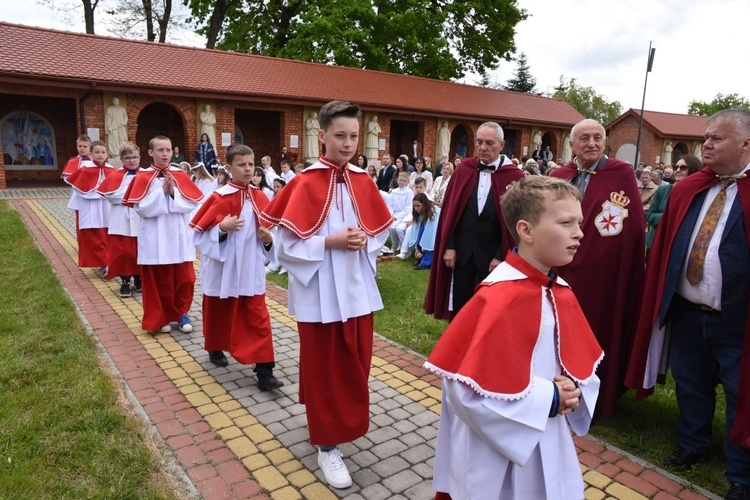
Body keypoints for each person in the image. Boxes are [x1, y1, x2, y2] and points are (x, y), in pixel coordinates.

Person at [425, 176, 602, 499]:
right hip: (495, 449)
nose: (579, 233)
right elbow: (462, 390)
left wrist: (573, 389)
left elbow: (576, 364)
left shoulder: (560, 292)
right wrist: (547, 398)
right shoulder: (496, 298)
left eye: (579, 222)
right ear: (526, 230)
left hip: (549, 435)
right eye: (566, 223)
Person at [259, 101, 391, 489]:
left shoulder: (364, 180)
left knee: (355, 362)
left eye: (353, 135)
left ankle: (340, 423)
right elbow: (284, 246)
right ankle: (326, 444)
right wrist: (328, 242)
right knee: (323, 368)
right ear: (322, 136)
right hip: (319, 292)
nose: (348, 143)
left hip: (358, 291)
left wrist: (367, 239)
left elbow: (380, 231)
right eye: (340, 135)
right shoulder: (303, 182)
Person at [627, 109, 750, 500]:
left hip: (738, 319)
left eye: (717, 138)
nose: (706, 145)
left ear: (746, 144)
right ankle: (693, 444)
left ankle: (742, 473)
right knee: (691, 385)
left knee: (740, 392)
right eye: (706, 137)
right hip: (686, 312)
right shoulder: (690, 188)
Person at [550, 119, 645, 417]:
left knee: (595, 331)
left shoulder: (621, 174)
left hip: (601, 278)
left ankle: (597, 396)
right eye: (584, 138)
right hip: (559, 270)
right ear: (572, 144)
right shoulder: (559, 176)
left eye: (597, 138)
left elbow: (631, 230)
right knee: (555, 331)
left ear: (605, 143)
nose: (591, 143)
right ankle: (555, 389)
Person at [189, 144, 284, 390]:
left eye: (251, 164)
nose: (248, 169)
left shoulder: (261, 197)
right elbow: (198, 236)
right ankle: (215, 346)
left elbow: (273, 234)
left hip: (251, 269)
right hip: (224, 269)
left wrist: (268, 240)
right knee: (219, 311)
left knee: (257, 317)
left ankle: (265, 371)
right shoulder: (218, 197)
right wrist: (221, 228)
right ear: (229, 168)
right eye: (242, 165)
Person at [425, 122, 524, 320]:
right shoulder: (464, 170)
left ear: (502, 145)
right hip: (462, 252)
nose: (482, 147)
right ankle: (457, 345)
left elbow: (516, 224)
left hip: (493, 257)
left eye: (489, 143)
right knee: (460, 306)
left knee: (488, 307)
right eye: (479, 142)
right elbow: (451, 212)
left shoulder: (515, 177)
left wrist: (501, 255)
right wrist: (449, 246)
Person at [123, 135, 204, 334]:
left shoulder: (180, 175)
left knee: (186, 278)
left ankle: (181, 313)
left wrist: (174, 193)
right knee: (159, 281)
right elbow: (140, 208)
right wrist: (162, 193)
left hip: (178, 234)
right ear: (151, 152)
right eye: (160, 150)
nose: (165, 154)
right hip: (154, 236)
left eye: (168, 150)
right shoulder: (142, 177)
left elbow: (193, 204)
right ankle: (160, 318)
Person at [96, 142, 142, 297]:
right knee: (124, 253)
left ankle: (139, 278)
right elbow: (110, 195)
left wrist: (134, 196)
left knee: (140, 251)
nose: (131, 160)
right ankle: (125, 282)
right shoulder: (115, 175)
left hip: (141, 218)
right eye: (127, 158)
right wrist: (133, 196)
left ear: (139, 158)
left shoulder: (146, 174)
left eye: (134, 157)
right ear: (122, 160)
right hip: (121, 218)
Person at [64, 140, 114, 270]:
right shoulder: (85, 170)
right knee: (95, 235)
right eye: (97, 152)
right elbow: (80, 189)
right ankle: (102, 262)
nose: (100, 155)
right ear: (91, 154)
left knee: (108, 234)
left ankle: (107, 261)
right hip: (91, 208)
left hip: (106, 207)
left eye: (103, 152)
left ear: (107, 154)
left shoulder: (112, 170)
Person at [645, 155, 702, 250]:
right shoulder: (663, 190)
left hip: (681, 245)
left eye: (683, 167)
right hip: (657, 242)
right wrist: (669, 217)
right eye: (676, 167)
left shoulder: (699, 194)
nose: (678, 170)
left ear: (693, 170)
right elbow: (650, 215)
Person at [406, 193, 440, 270]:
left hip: (436, 232)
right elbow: (416, 229)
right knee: (420, 231)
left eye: (418, 206)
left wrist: (422, 251)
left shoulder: (433, 213)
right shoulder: (421, 212)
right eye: (414, 206)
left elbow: (430, 235)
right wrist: (417, 248)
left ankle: (426, 262)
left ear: (424, 204)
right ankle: (421, 257)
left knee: (428, 238)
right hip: (426, 227)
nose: (416, 208)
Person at [387, 172, 414, 253]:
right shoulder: (394, 191)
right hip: (395, 214)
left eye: (404, 180)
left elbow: (408, 207)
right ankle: (395, 244)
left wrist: (397, 217)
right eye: (400, 180)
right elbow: (390, 205)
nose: (401, 182)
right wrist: (391, 215)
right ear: (397, 180)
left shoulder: (409, 192)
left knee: (398, 228)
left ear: (407, 182)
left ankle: (403, 246)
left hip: (406, 215)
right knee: (391, 228)